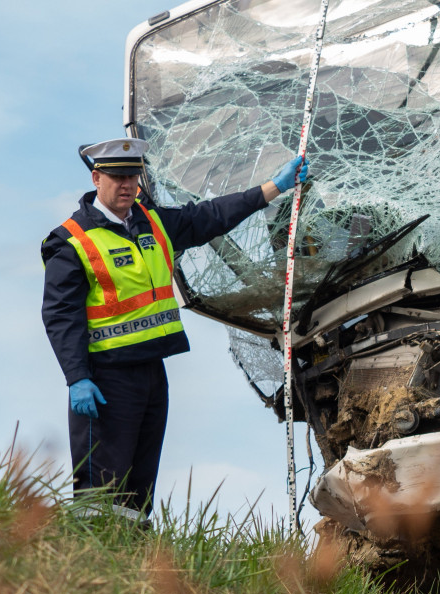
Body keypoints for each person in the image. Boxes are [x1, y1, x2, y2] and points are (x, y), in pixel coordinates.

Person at [41, 138, 308, 519]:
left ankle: (132, 565)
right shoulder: (70, 242)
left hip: (151, 371)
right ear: (97, 179)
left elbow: (211, 216)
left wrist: (271, 189)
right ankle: (90, 565)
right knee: (101, 487)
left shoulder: (152, 223)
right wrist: (76, 377)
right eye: (117, 177)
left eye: (132, 176)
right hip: (105, 378)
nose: (127, 185)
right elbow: (60, 315)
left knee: (139, 484)